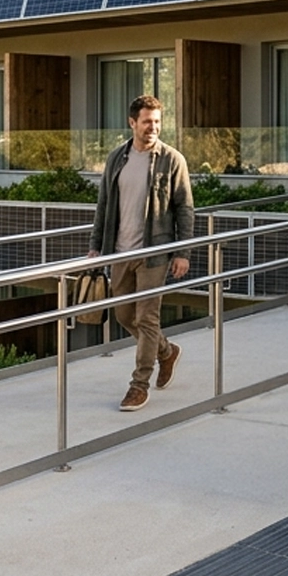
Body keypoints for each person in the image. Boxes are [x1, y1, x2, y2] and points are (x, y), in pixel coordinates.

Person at [89, 94, 196, 412]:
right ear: (132, 122)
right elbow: (104, 206)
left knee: (147, 318)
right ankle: (166, 351)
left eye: (158, 122)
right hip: (120, 251)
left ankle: (139, 385)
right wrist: (97, 247)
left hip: (155, 251)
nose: (153, 127)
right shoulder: (116, 158)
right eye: (147, 121)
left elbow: (185, 208)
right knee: (124, 315)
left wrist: (182, 252)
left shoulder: (171, 160)